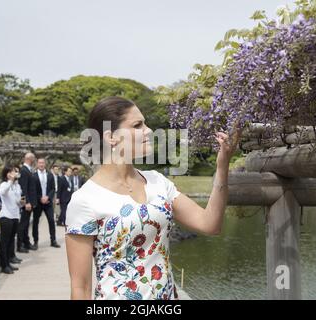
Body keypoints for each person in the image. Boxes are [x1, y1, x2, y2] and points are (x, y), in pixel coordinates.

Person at [65, 96, 241, 300]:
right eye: (137, 125)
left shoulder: (158, 183)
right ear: (111, 137)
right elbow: (80, 288)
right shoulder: (85, 200)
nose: (148, 130)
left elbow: (210, 224)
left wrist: (222, 166)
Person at [0, 165, 24, 274]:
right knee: (4, 241)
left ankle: (7, 262)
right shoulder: (4, 184)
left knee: (10, 240)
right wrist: (10, 181)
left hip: (15, 216)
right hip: (6, 216)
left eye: (13, 172)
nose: (13, 174)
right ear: (6, 174)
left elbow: (17, 201)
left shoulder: (15, 186)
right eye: (10, 172)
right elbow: (3, 193)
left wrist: (21, 203)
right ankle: (4, 266)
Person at [32, 158, 61, 248]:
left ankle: (53, 240)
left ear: (45, 164)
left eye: (43, 163)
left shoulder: (50, 175)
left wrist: (48, 197)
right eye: (40, 163)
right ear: (37, 164)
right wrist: (40, 198)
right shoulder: (34, 175)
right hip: (38, 202)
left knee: (51, 221)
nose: (41, 164)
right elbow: (33, 189)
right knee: (35, 222)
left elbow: (53, 189)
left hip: (48, 202)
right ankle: (35, 241)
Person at [17, 153, 38, 253]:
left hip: (31, 202)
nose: (34, 160)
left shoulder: (28, 170)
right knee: (23, 224)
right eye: (34, 159)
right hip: (27, 203)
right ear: (30, 159)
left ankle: (26, 242)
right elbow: (23, 188)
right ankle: (20, 244)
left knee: (26, 224)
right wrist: (27, 202)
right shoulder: (24, 171)